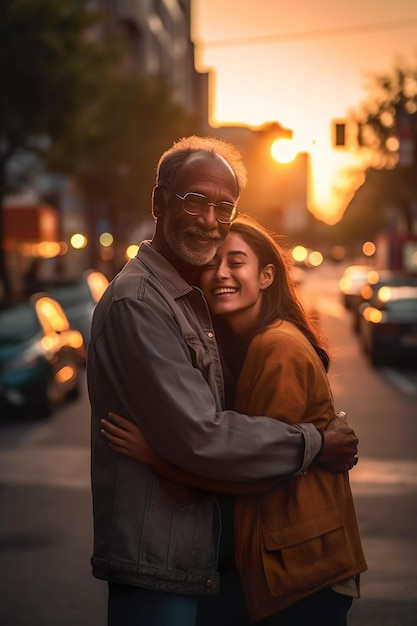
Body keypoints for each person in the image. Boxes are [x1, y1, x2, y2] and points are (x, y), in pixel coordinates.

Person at [87, 135, 359, 626]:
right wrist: (316, 443)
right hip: (159, 563)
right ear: (159, 201)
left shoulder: (259, 339)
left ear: (269, 276)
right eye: (195, 200)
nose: (209, 219)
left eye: (224, 206)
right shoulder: (142, 302)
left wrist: (164, 459)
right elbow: (205, 440)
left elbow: (239, 462)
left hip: (282, 570)